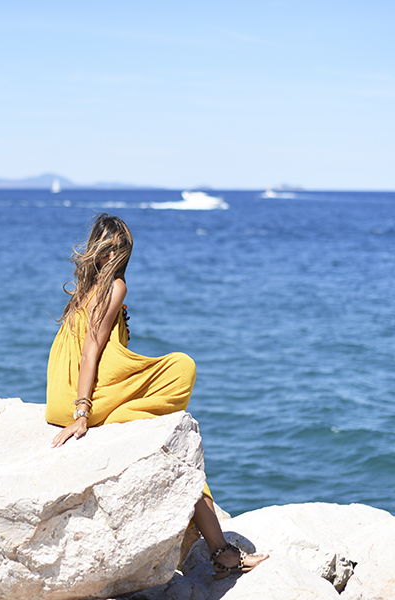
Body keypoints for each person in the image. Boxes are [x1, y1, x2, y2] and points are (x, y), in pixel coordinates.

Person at [46, 213, 268, 579]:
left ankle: (222, 553)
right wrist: (82, 413)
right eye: (117, 249)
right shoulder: (114, 287)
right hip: (82, 397)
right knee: (182, 367)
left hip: (60, 392)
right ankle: (223, 552)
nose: (119, 256)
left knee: (172, 444)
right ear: (109, 252)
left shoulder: (85, 290)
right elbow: (91, 350)